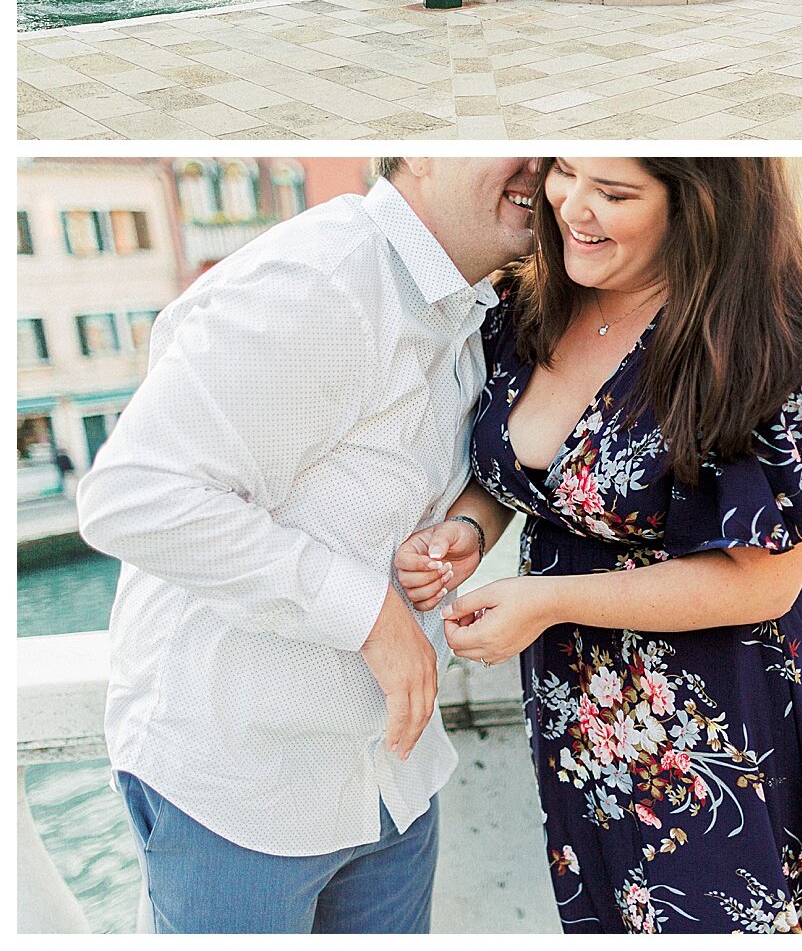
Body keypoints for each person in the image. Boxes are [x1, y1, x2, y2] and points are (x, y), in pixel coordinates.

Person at [397, 158, 802, 935]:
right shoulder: (525, 300)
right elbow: (532, 470)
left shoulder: (779, 341)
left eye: (614, 194)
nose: (573, 207)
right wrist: (470, 528)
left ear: (698, 205)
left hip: (735, 719)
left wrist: (549, 599)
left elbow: (764, 585)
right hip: (591, 720)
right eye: (566, 171)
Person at [76, 157, 540, 934]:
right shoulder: (323, 280)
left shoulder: (472, 307)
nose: (543, 160)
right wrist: (371, 617)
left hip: (391, 780)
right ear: (419, 150)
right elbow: (132, 495)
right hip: (238, 794)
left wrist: (463, 525)